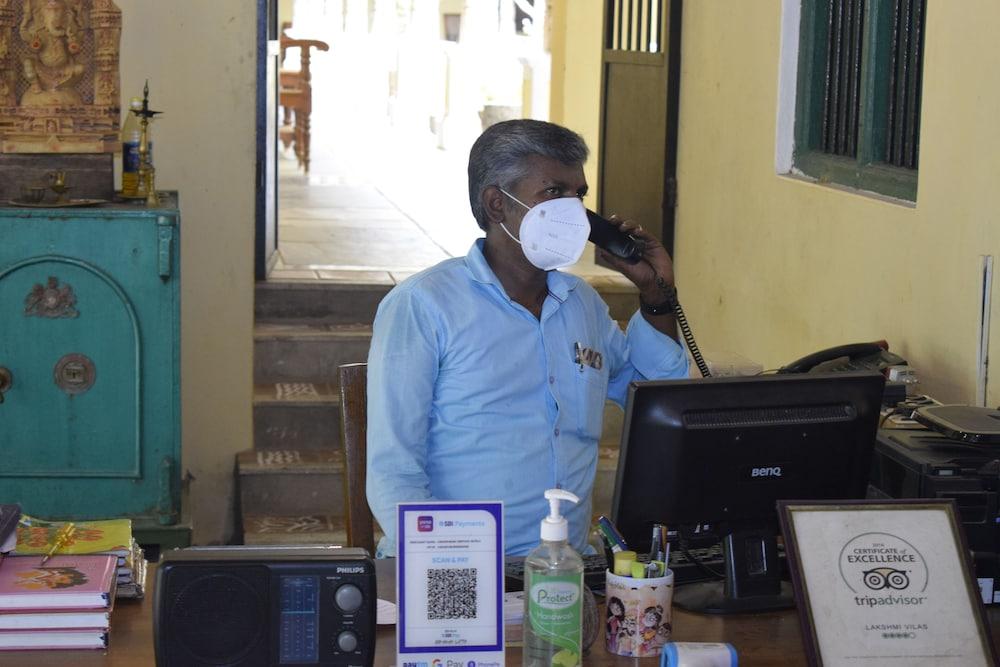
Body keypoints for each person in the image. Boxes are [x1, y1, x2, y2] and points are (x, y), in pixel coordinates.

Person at [366, 119, 689, 557]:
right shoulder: (424, 305)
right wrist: (455, 574)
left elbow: (654, 399)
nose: (574, 210)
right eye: (555, 193)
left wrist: (654, 292)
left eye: (580, 195)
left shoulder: (583, 305)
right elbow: (394, 471)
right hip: (457, 565)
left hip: (564, 569)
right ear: (497, 204)